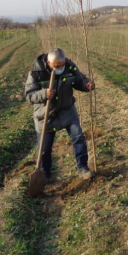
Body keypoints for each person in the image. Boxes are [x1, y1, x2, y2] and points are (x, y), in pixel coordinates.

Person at [24, 47, 96, 180]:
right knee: (44, 148)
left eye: (62, 65)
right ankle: (45, 175)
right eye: (57, 66)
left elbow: (80, 80)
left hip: (67, 110)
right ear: (48, 63)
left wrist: (87, 85)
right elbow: (29, 95)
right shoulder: (36, 72)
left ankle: (83, 168)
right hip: (45, 114)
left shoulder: (69, 67)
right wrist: (43, 94)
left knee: (78, 137)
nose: (61, 68)